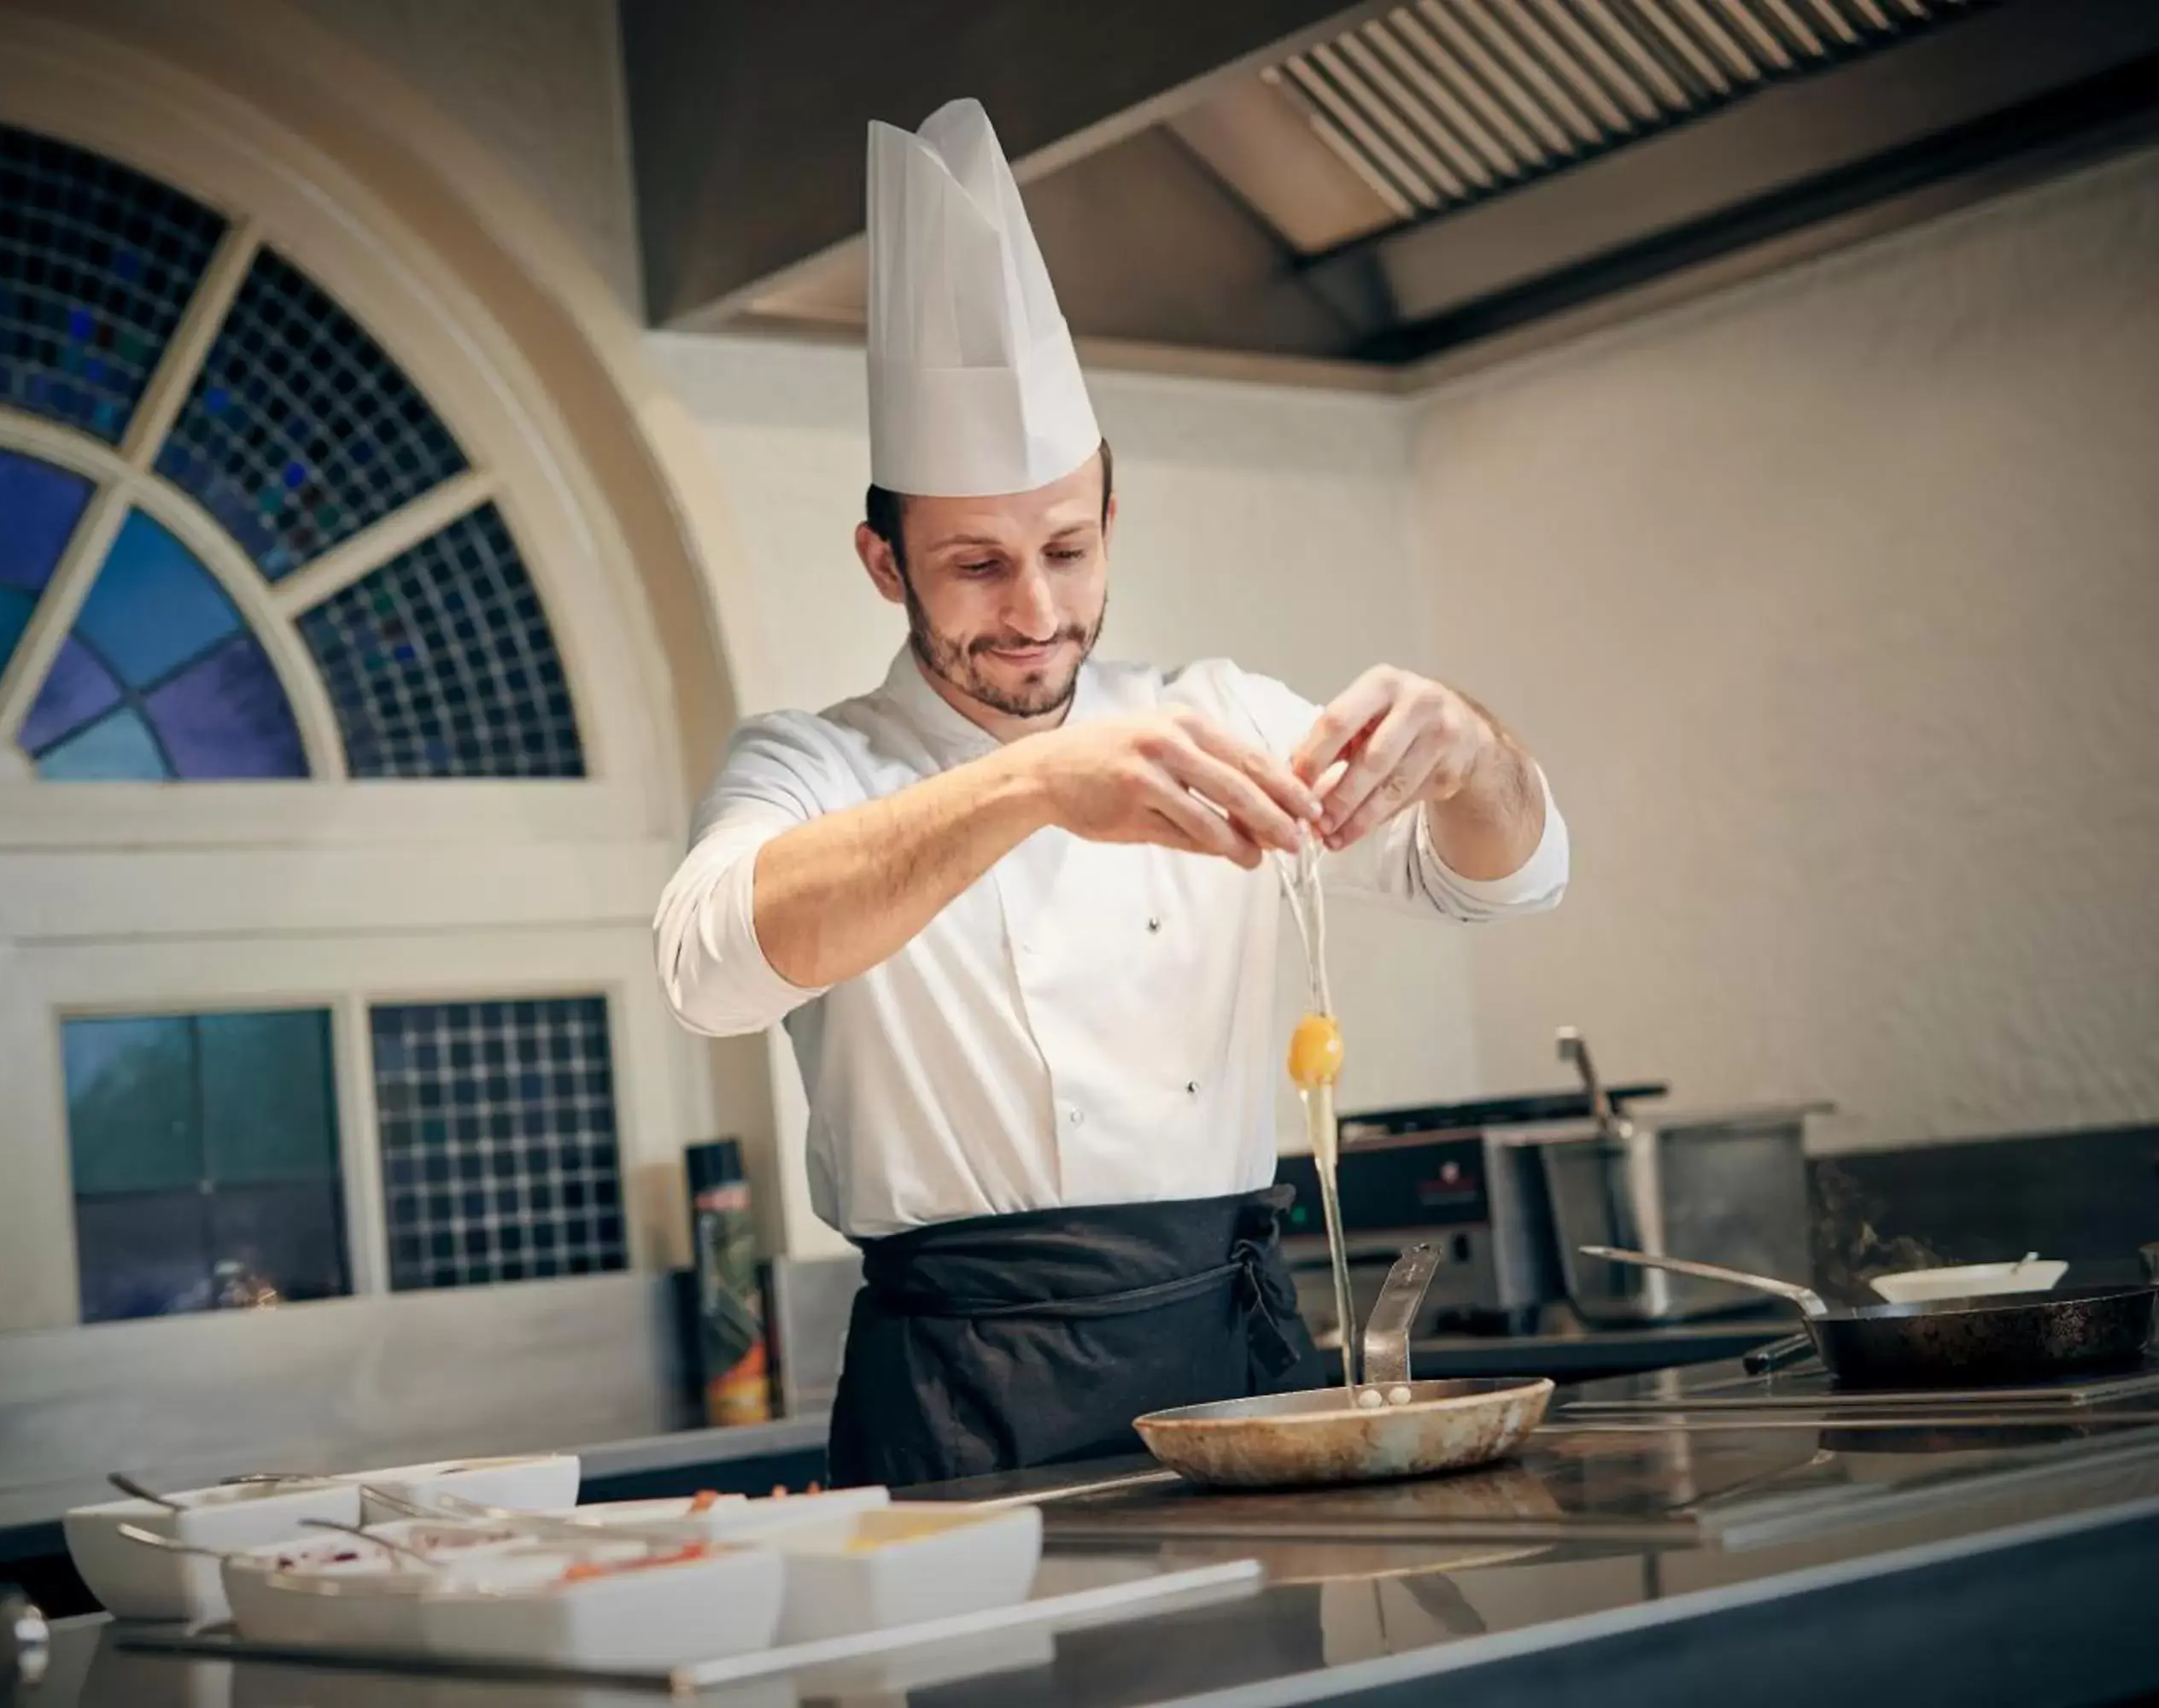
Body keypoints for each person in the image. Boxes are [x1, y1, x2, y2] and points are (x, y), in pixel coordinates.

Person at [652, 99, 1569, 1489]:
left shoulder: (1218, 716)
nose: (1035, 610)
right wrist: (1030, 785)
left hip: (1230, 1370)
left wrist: (1473, 754)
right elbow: (709, 967)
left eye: (1067, 550)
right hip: (959, 1398)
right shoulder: (813, 764)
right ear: (883, 562)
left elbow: (1499, 878)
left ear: (1109, 525)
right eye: (974, 566)